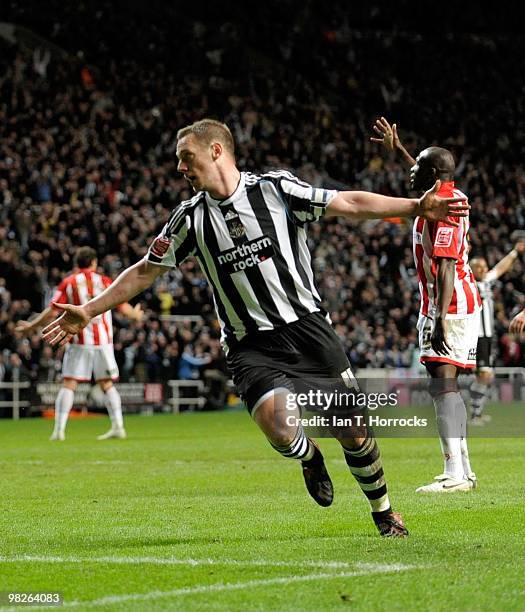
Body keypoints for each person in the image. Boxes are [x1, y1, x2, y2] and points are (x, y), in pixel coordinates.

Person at [43, 119, 468, 536]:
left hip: (307, 329)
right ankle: (309, 455)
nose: (180, 169)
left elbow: (347, 204)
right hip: (250, 344)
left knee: (354, 432)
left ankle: (384, 511)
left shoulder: (276, 190)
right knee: (279, 426)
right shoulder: (188, 219)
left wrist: (414, 206)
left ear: (216, 151)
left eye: (186, 158)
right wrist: (91, 309)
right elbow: (145, 271)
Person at [372, 117, 481, 493]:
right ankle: (462, 470)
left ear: (433, 173)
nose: (409, 169)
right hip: (448, 304)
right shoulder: (442, 195)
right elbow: (426, 184)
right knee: (446, 386)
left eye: (416, 164)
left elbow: (446, 266)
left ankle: (454, 474)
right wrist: (400, 150)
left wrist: (437, 316)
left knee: (443, 386)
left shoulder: (447, 207)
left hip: (448, 305)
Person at [15, 246, 143, 441]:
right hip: (104, 342)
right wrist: (136, 315)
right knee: (107, 384)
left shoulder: (69, 282)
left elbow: (52, 310)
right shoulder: (105, 281)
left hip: (78, 341)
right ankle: (118, 426)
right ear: (94, 262)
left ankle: (59, 431)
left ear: (76, 263)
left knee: (69, 384)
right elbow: (123, 306)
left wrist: (31, 326)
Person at [469, 244, 525, 423]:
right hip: (474, 336)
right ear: (471, 268)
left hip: (487, 336)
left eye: (485, 266)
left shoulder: (485, 281)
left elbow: (500, 268)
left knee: (485, 375)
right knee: (484, 374)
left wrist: (515, 252)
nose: (484, 269)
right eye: (479, 267)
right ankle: (472, 413)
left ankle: (475, 413)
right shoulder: (466, 283)